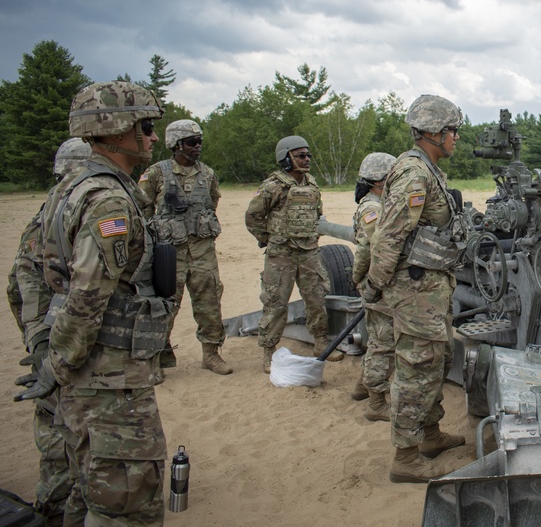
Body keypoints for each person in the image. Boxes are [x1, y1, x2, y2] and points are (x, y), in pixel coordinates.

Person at [15, 80, 173, 526]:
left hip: (89, 372)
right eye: (145, 126)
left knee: (86, 492)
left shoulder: (72, 189)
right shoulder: (108, 200)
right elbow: (87, 296)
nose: (153, 137)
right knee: (127, 502)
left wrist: (51, 354)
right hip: (106, 377)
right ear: (117, 129)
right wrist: (59, 364)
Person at [366, 94, 467, 483]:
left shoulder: (429, 170)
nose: (456, 137)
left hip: (430, 286)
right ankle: (405, 458)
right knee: (416, 367)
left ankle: (428, 434)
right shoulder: (414, 174)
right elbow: (389, 236)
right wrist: (375, 284)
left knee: (436, 361)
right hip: (415, 289)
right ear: (432, 133)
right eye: (452, 130)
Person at [7, 137, 89, 526]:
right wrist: (43, 340)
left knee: (58, 432)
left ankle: (57, 506)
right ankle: (58, 509)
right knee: (66, 436)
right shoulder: (65, 213)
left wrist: (34, 334)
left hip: (57, 340)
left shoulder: (48, 212)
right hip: (68, 344)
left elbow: (16, 287)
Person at [138, 120, 231, 375]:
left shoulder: (208, 174)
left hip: (202, 251)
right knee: (165, 305)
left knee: (209, 303)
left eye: (199, 141)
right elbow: (142, 210)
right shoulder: (156, 174)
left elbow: (211, 205)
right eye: (192, 142)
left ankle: (211, 354)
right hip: (169, 254)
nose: (197, 146)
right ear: (176, 145)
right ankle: (156, 359)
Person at [245, 135, 338, 373]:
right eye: (301, 155)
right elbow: (253, 217)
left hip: (308, 252)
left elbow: (317, 215)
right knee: (275, 303)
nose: (307, 160)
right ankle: (269, 351)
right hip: (281, 255)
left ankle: (320, 342)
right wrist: (269, 240)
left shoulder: (312, 184)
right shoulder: (272, 186)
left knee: (316, 299)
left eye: (308, 155)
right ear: (286, 158)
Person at [348, 151, 398, 422]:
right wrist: (361, 280)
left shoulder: (379, 204)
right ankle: (377, 403)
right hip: (376, 280)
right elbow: (369, 249)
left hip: (375, 279)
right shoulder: (372, 209)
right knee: (383, 343)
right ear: (378, 182)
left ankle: (362, 386)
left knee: (379, 337)